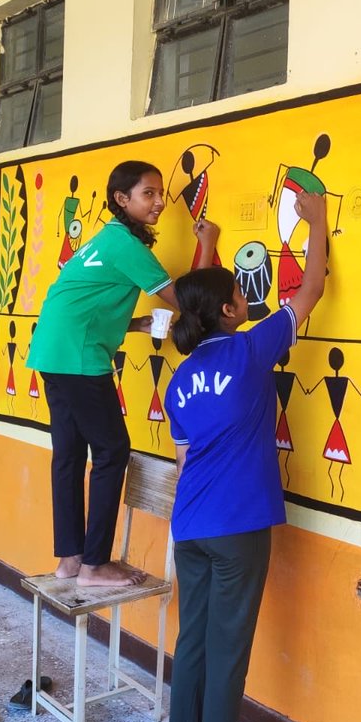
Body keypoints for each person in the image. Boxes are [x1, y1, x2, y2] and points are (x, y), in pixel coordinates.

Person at [164, 191, 328, 722]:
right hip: (238, 529)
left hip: (192, 526)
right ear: (230, 312)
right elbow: (310, 292)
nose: (247, 298)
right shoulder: (250, 349)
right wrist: (319, 221)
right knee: (229, 649)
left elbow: (186, 462)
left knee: (195, 641)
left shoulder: (178, 381)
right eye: (239, 293)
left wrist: (207, 244)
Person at [27, 160, 219, 587]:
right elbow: (186, 299)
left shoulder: (107, 241)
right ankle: (95, 565)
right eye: (147, 194)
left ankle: (71, 561)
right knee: (112, 451)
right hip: (77, 359)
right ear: (122, 199)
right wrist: (207, 245)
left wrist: (132, 325)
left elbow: (84, 303)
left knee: (71, 456)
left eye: (159, 193)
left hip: (53, 352)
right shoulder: (127, 247)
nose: (158, 202)